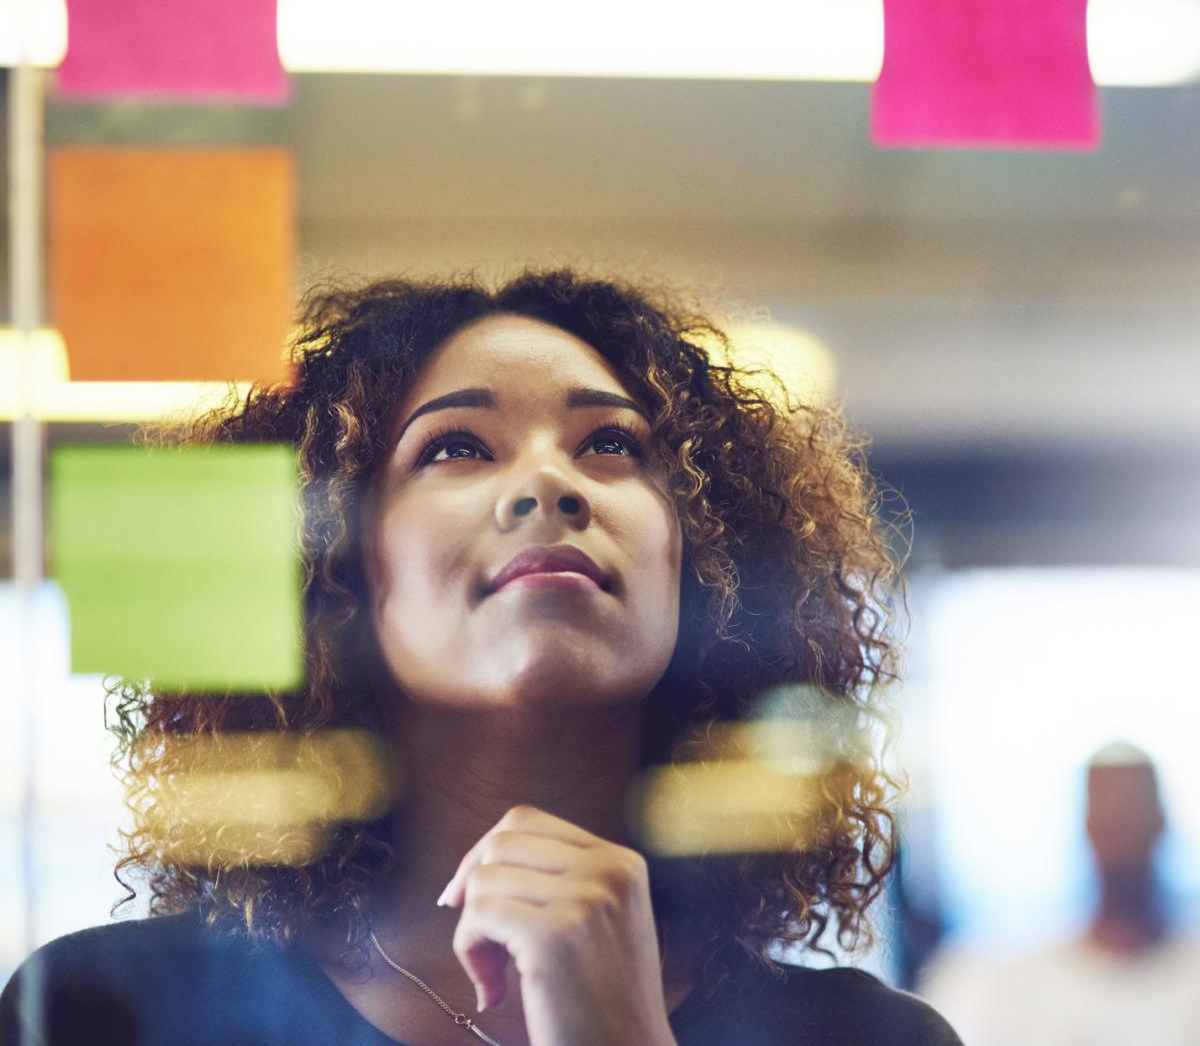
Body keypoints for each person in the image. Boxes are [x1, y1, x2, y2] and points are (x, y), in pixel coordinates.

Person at [1, 269, 962, 1045]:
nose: (548, 481)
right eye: (457, 447)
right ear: (339, 567)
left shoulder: (866, 1037)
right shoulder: (108, 1011)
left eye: (612, 445)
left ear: (698, 557)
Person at [919, 742, 1200, 1045]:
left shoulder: (1189, 978)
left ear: (1159, 823)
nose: (1120, 835)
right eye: (1106, 818)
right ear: (1087, 826)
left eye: (1132, 812)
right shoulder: (999, 982)